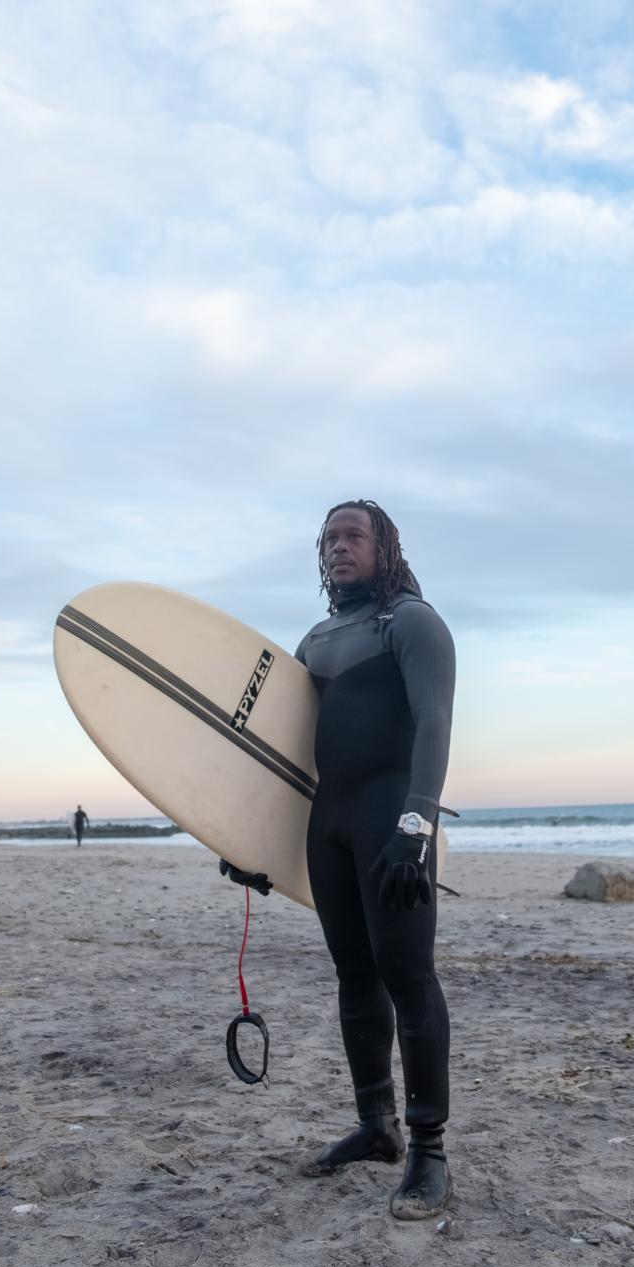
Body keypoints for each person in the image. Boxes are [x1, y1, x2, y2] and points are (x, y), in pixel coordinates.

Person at [221, 499, 455, 1220]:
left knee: (407, 977)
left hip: (391, 816)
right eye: (327, 539)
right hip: (329, 825)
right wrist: (248, 842)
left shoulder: (412, 623)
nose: (336, 548)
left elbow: (433, 725)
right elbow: (283, 755)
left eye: (352, 535)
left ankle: (428, 1153)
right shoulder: (315, 640)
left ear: (385, 547)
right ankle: (375, 1127)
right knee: (354, 975)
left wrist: (414, 827)